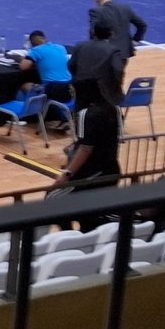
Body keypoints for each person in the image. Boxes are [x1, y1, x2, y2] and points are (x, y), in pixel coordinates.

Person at [55, 79, 122, 222]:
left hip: (93, 173)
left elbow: (86, 149)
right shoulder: (113, 108)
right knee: (92, 216)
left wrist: (67, 173)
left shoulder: (87, 114)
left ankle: (69, 236)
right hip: (112, 168)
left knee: (53, 198)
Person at [68, 19, 126, 106]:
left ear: (94, 32)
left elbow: (71, 65)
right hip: (105, 93)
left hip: (82, 91)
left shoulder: (79, 46)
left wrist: (78, 79)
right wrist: (116, 85)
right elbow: (118, 70)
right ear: (111, 34)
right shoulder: (113, 51)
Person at [88, 0, 148, 71]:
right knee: (117, 81)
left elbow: (93, 31)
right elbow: (142, 25)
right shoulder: (125, 8)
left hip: (105, 54)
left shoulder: (96, 11)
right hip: (123, 53)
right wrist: (135, 41)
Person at [17, 30, 73, 103]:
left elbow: (23, 67)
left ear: (31, 43)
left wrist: (19, 59)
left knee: (24, 86)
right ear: (45, 38)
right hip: (69, 88)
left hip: (52, 90)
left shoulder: (36, 50)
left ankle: (25, 111)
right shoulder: (61, 47)